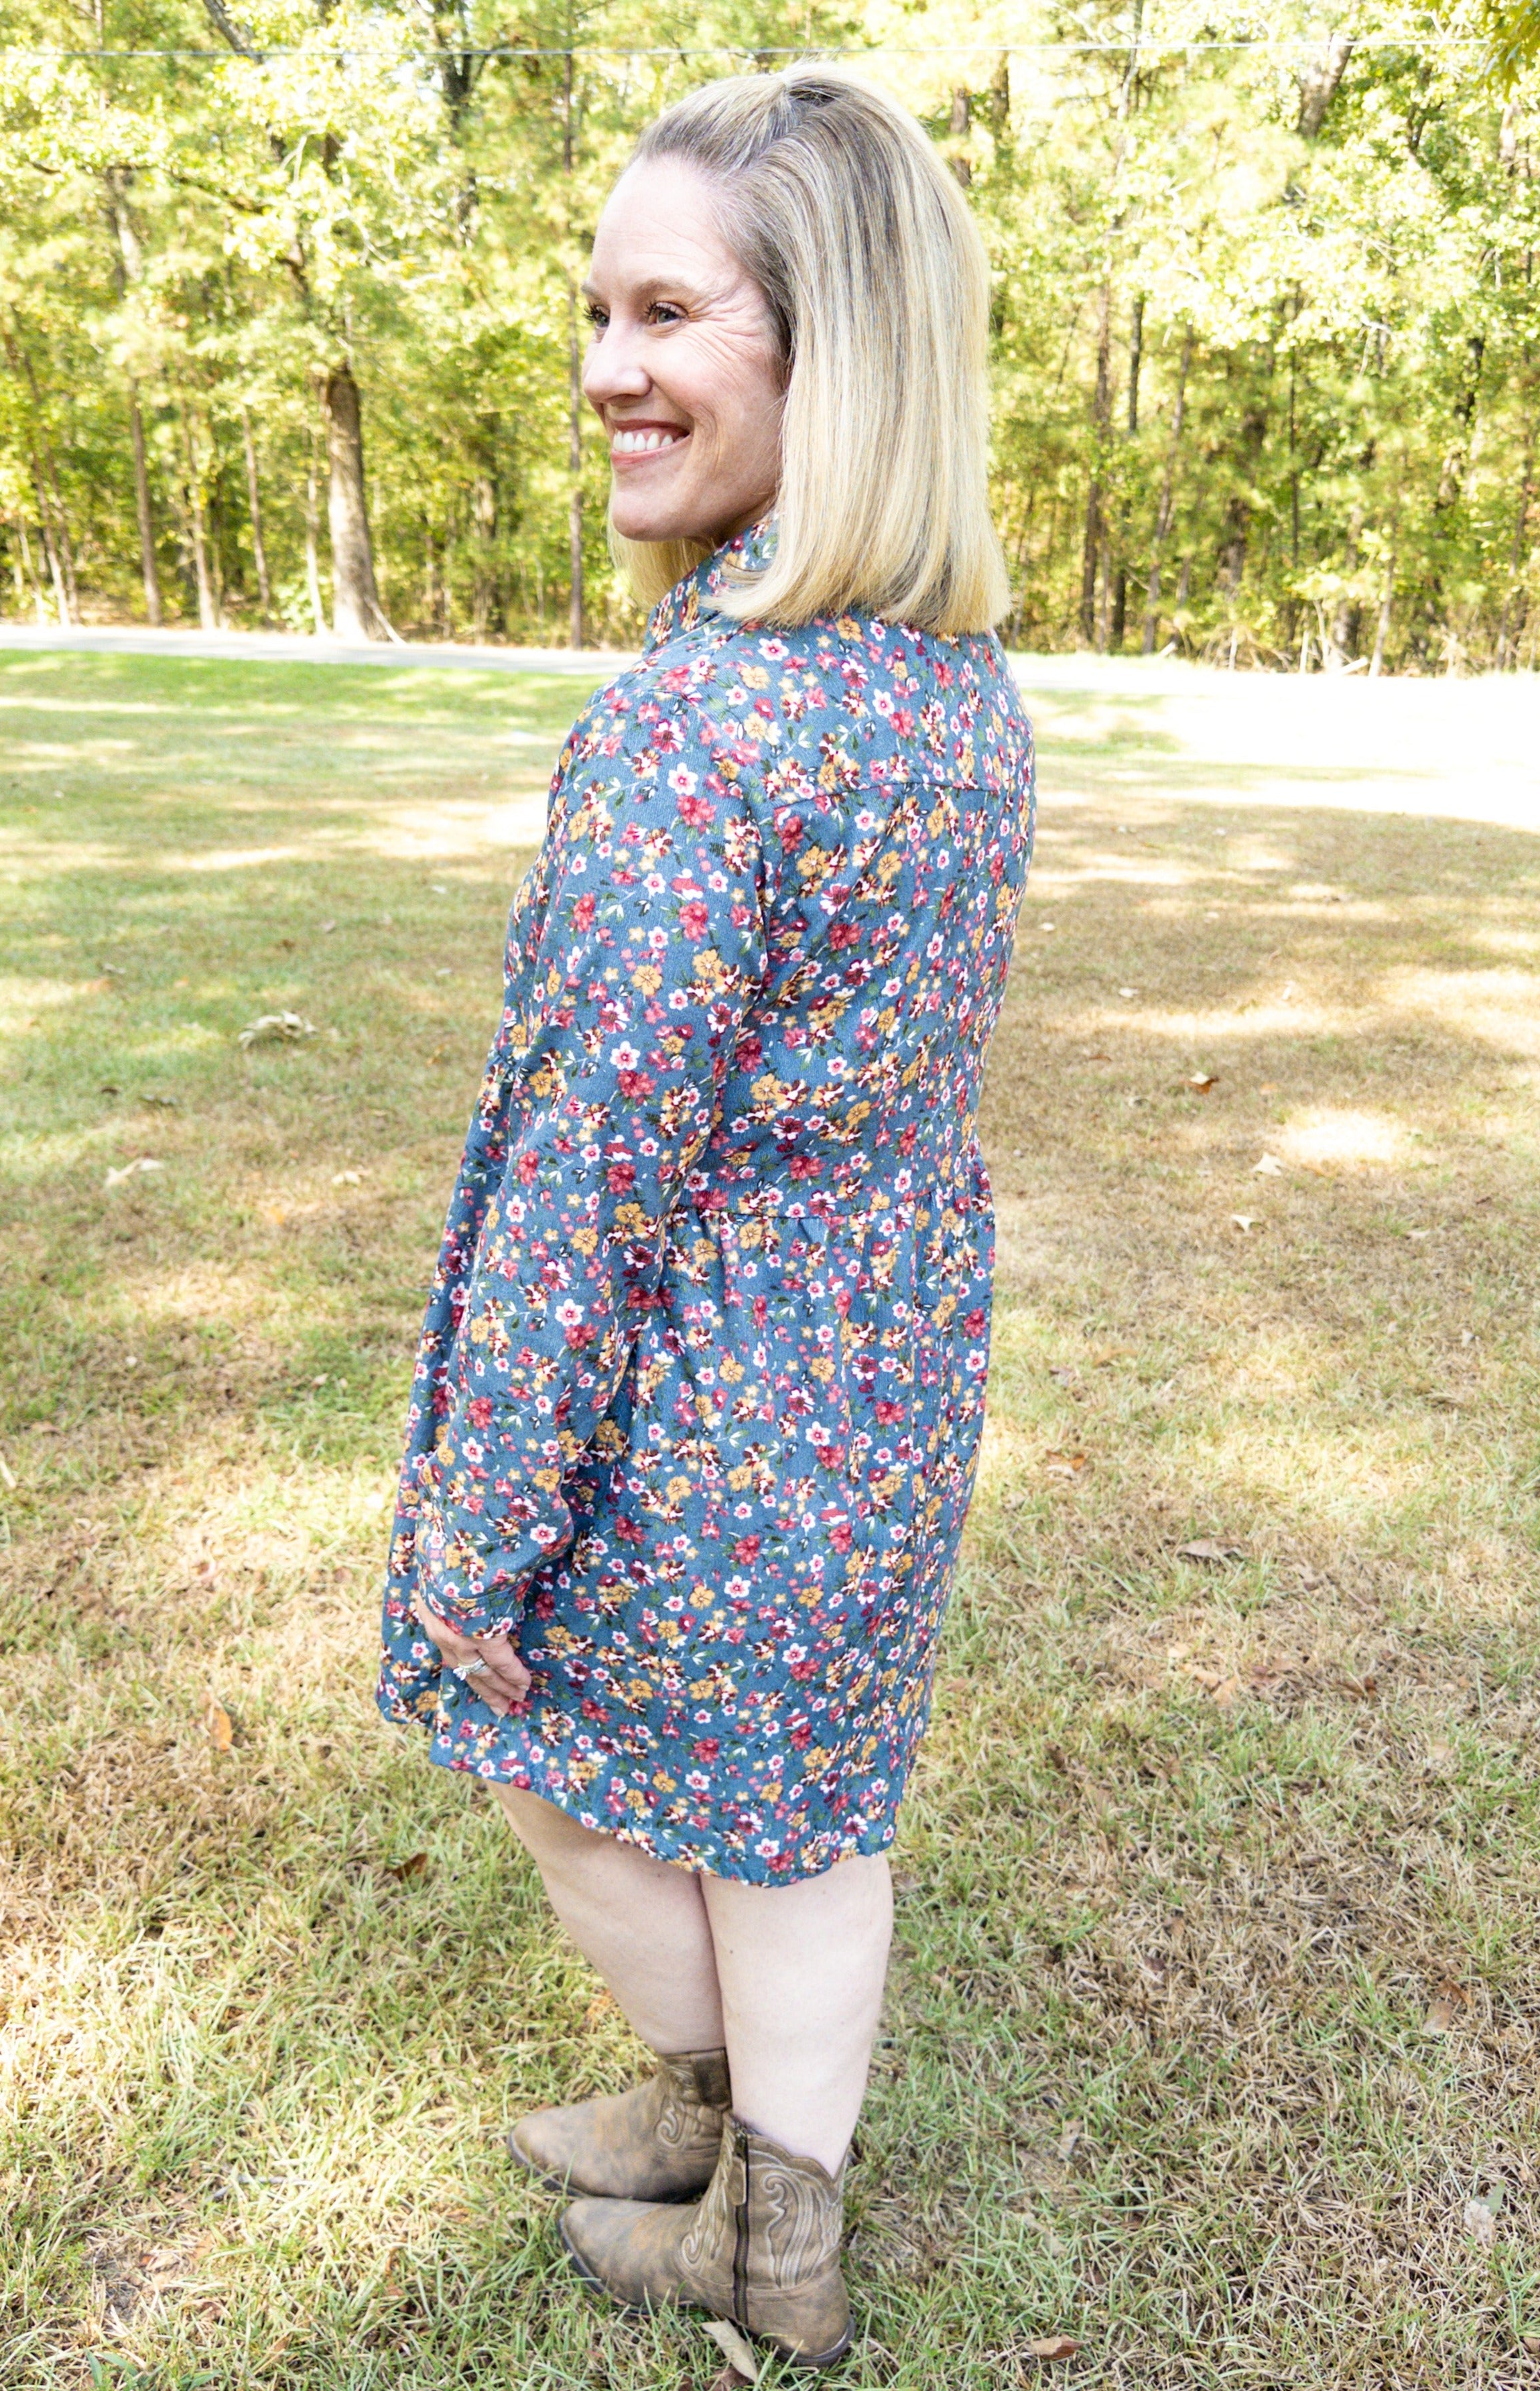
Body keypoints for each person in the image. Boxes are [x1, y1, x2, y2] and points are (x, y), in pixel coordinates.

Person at [377, 64, 1034, 2370]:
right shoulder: (957, 690)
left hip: (706, 1376)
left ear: (825, 351)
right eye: (598, 309)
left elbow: (589, 1168)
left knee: (553, 1756)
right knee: (809, 1814)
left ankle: (717, 2147)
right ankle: (769, 2217)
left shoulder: (712, 727)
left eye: (670, 312)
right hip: (886, 1352)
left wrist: (482, 1510)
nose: (606, 368)